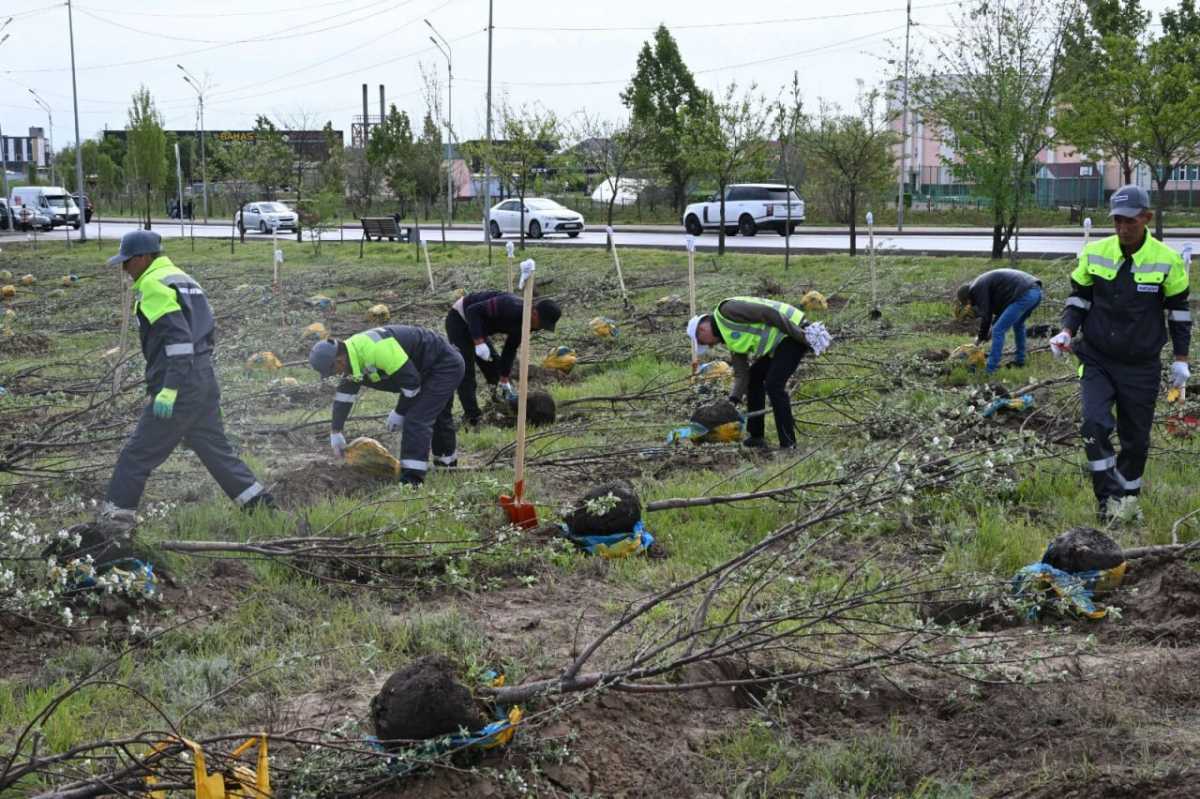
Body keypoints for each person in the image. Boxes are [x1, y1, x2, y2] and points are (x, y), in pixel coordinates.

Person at [100, 231, 273, 527]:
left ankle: (115, 520)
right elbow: (206, 330)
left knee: (137, 453)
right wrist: (198, 377)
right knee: (214, 448)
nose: (124, 269)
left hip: (179, 381)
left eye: (126, 262)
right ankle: (261, 507)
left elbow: (178, 341)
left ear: (142, 258)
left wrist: (169, 388)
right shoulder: (182, 277)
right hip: (203, 376)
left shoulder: (154, 284)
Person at [1051, 184, 1191, 521]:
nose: (1123, 228)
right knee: (1093, 425)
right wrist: (1066, 330)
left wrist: (1181, 360)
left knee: (1136, 441)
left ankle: (1127, 504)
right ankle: (1107, 501)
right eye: (1117, 221)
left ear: (1146, 217)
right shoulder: (1095, 252)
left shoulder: (1167, 261)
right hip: (1097, 357)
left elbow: (1179, 313)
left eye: (1130, 221)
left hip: (1141, 364)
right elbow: (1079, 298)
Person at [309, 325, 464, 486]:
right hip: (424, 371)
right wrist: (336, 431)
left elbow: (411, 384)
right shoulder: (352, 357)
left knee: (416, 419)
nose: (336, 375)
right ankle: (447, 469)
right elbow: (345, 396)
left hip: (443, 365)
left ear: (338, 360)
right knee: (436, 415)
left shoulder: (375, 349)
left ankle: (411, 483)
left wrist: (399, 412)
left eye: (333, 371)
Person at [687, 297, 832, 450]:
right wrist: (732, 402)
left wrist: (801, 335)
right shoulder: (729, 337)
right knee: (754, 377)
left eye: (704, 343)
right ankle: (756, 437)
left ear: (702, 330)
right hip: (781, 342)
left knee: (774, 385)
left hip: (792, 330)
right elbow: (742, 375)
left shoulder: (727, 310)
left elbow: (768, 313)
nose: (709, 346)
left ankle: (788, 444)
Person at [444, 291, 561, 425]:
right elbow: (472, 311)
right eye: (541, 324)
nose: (540, 328)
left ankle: (498, 403)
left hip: (480, 326)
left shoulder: (529, 324)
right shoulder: (510, 306)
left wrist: (504, 377)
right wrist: (479, 342)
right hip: (460, 318)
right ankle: (472, 417)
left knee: (494, 368)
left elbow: (510, 348)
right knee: (466, 371)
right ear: (534, 313)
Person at [955, 268, 1043, 373]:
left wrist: (981, 338)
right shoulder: (983, 285)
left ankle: (990, 369)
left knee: (998, 330)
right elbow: (1002, 311)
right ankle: (1020, 361)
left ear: (967, 298)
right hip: (1035, 292)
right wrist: (990, 329)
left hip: (1024, 294)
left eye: (969, 303)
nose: (972, 306)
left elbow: (986, 315)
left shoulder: (976, 288)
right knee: (1018, 325)